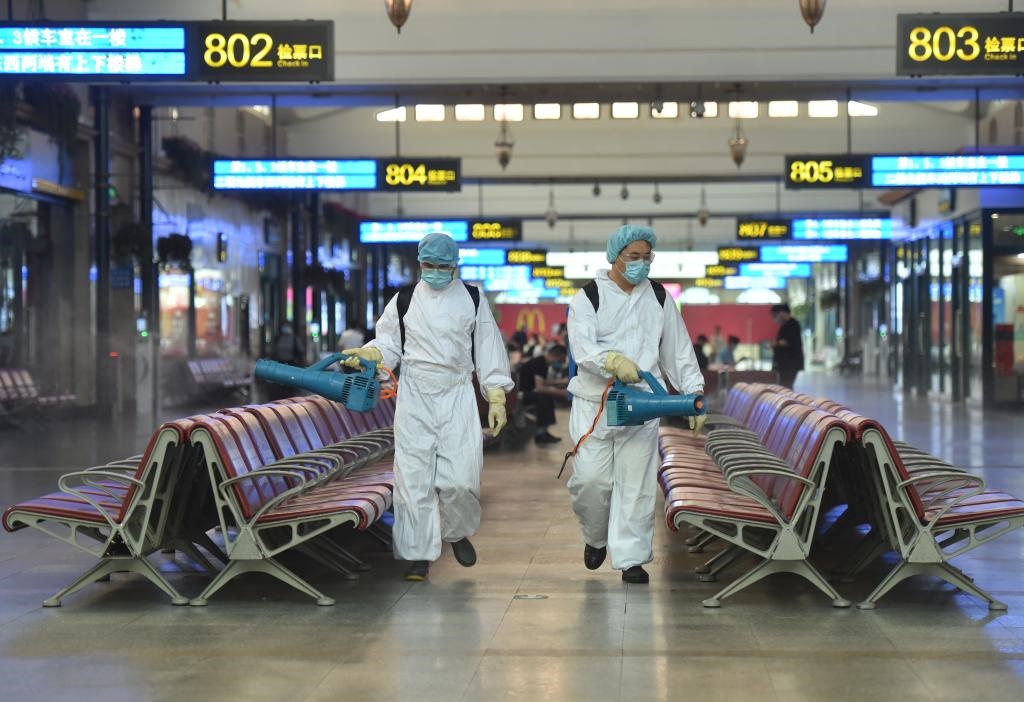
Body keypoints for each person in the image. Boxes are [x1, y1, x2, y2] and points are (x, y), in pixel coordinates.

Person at [342, 232, 514, 582]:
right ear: (420, 264)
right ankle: (418, 555)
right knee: (414, 479)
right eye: (429, 265)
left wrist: (496, 395)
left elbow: (488, 347)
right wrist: (373, 353)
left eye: (442, 266)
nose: (435, 271)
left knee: (461, 479)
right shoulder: (404, 300)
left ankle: (457, 531)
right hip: (415, 394)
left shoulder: (472, 298)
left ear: (454, 266)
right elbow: (389, 342)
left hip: (457, 393)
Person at [567, 224, 705, 584]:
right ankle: (595, 536)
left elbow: (678, 351)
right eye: (633, 257)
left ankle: (631, 559)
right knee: (591, 482)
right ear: (615, 257)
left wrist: (694, 394)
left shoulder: (658, 297)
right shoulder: (589, 297)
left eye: (647, 257)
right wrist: (611, 361)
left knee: (636, 485)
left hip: (644, 404)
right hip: (596, 404)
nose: (641, 264)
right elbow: (582, 347)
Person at [517, 344, 569, 445]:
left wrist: (560, 382)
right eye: (560, 360)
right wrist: (561, 393)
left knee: (546, 396)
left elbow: (542, 382)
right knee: (544, 397)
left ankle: (544, 432)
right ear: (556, 356)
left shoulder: (543, 363)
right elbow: (540, 388)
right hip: (521, 394)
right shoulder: (540, 363)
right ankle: (540, 434)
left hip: (529, 391)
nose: (559, 363)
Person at [771, 303, 804, 389]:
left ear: (782, 313)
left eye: (776, 315)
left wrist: (778, 344)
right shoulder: (784, 326)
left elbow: (789, 342)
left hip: (790, 363)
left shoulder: (793, 325)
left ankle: (788, 398)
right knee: (783, 385)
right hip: (783, 363)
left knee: (786, 385)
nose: (775, 318)